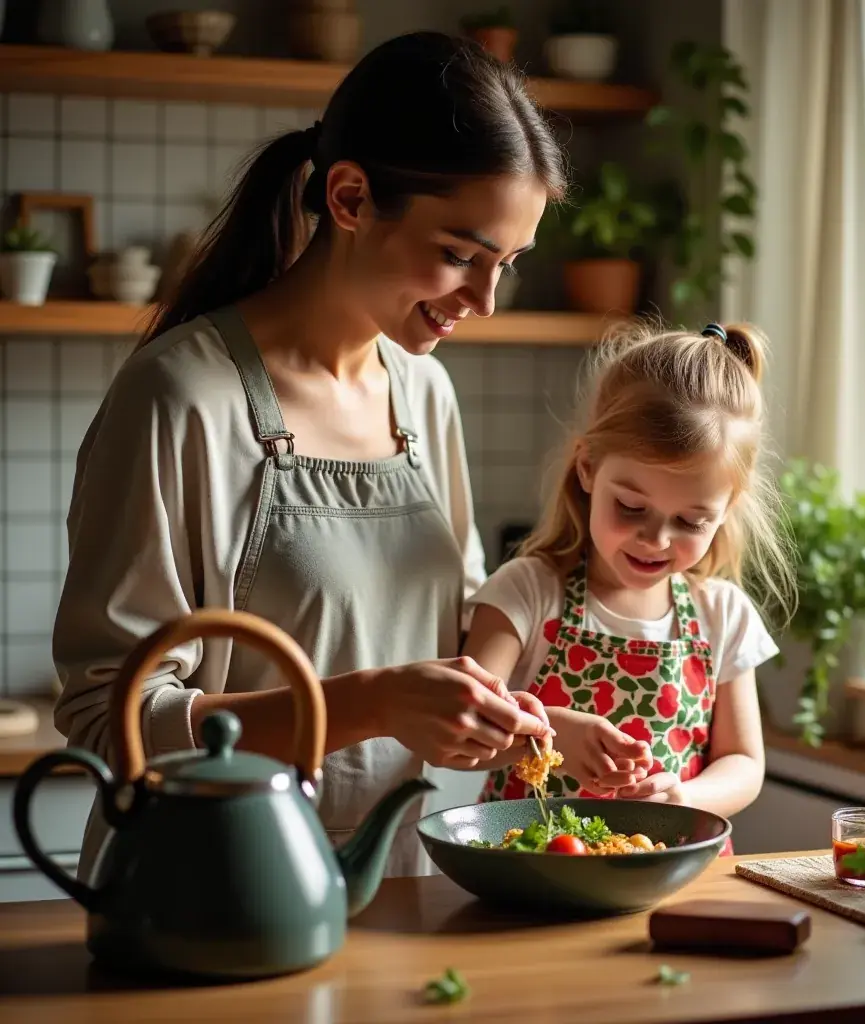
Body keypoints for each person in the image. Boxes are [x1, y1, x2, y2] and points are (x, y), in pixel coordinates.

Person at [52, 31, 564, 880]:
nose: (485, 300)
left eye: (507, 264)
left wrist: (509, 718)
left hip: (407, 880)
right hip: (215, 886)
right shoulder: (180, 397)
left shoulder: (425, 394)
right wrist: (372, 704)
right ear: (352, 197)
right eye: (458, 256)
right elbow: (115, 716)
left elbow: (447, 635)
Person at [461, 321, 796, 852]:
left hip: (676, 875)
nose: (655, 539)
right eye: (632, 507)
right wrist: (550, 734)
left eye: (690, 522)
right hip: (534, 874)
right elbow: (462, 726)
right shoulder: (526, 593)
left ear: (726, 509)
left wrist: (685, 798)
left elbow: (744, 763)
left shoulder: (722, 614)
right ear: (588, 467)